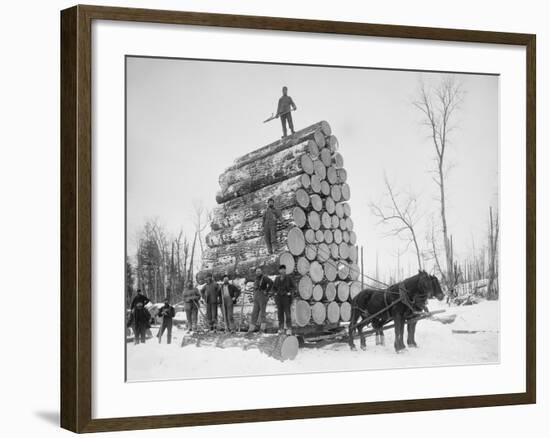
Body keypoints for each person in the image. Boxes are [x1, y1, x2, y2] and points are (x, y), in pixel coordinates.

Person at [248, 267, 274, 334]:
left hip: (262, 296)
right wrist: (246, 280)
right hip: (256, 296)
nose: (258, 272)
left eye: (259, 271)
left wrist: (267, 291)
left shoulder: (264, 278)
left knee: (262, 313)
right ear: (255, 272)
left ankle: (262, 329)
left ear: (261, 272)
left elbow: (271, 283)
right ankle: (251, 329)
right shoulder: (256, 278)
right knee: (254, 313)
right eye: (257, 271)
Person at [273, 264, 296, 334]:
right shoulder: (277, 278)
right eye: (281, 269)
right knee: (280, 314)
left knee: (287, 314)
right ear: (279, 271)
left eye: (283, 269)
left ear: (285, 270)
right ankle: (281, 328)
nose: (282, 270)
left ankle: (289, 328)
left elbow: (294, 287)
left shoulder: (289, 278)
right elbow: (273, 288)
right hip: (279, 298)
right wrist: (275, 293)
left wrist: (290, 292)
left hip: (286, 298)